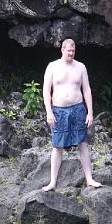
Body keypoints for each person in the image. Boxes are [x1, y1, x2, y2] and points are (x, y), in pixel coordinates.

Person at [42, 38, 102, 191]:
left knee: (83, 143)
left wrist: (90, 112)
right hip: (59, 110)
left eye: (73, 51)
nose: (71, 53)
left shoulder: (81, 67)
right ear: (62, 50)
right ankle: (52, 182)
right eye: (68, 50)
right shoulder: (52, 66)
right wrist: (49, 111)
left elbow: (87, 90)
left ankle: (89, 179)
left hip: (78, 109)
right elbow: (46, 91)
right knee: (57, 146)